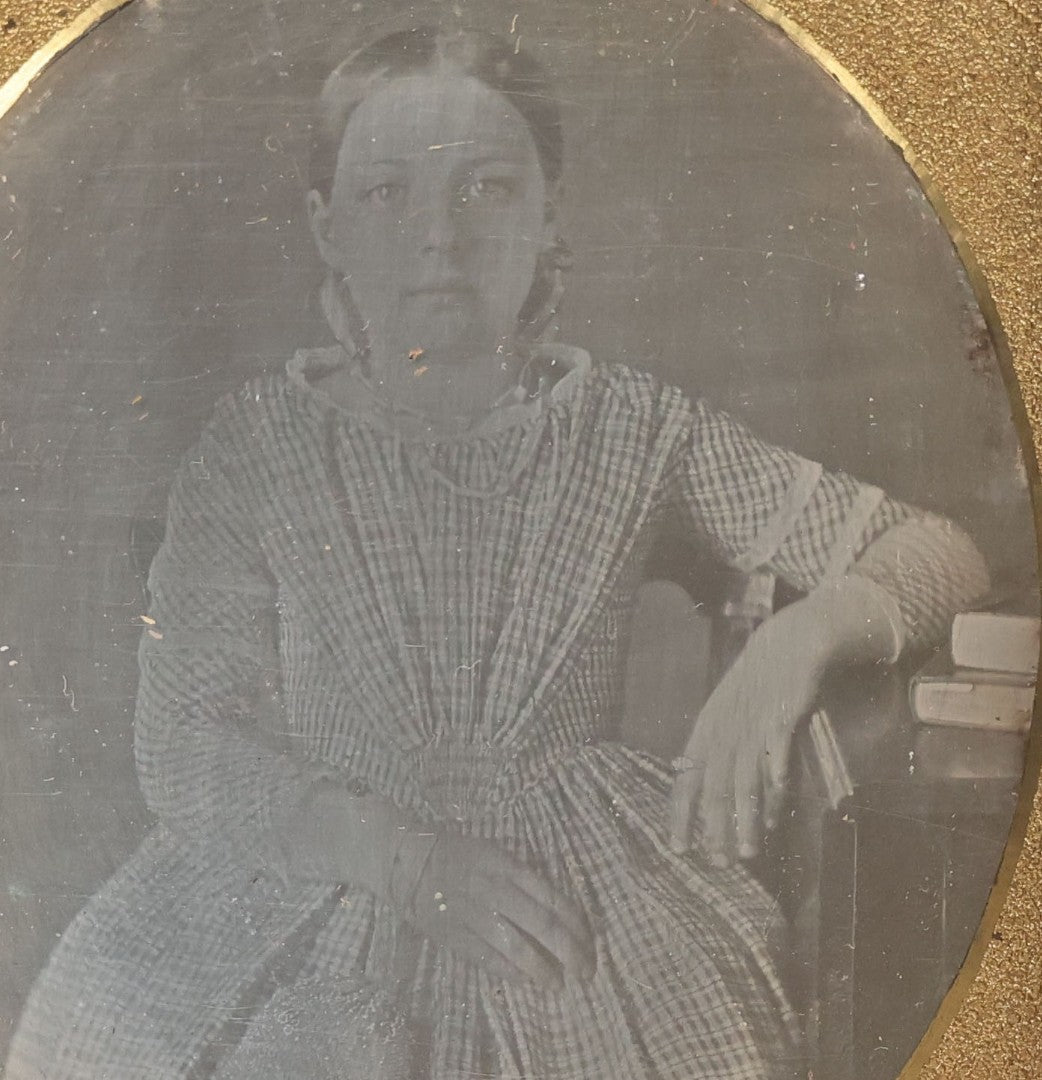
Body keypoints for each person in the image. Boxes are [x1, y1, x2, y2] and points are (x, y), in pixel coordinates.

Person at [7, 25, 990, 1080]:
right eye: (389, 194)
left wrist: (796, 642)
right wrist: (407, 859)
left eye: (485, 188)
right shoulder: (256, 446)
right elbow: (187, 744)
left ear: (548, 211)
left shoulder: (630, 426)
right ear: (325, 224)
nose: (441, 237)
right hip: (312, 864)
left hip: (577, 888)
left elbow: (942, 552)